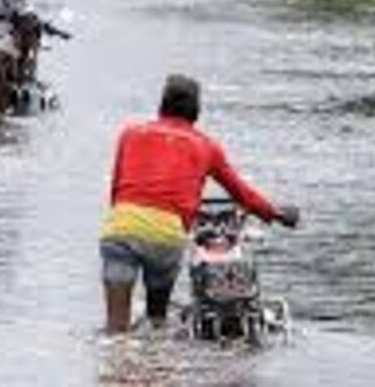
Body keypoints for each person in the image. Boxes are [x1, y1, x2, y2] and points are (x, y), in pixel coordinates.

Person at [100, 75, 300, 334]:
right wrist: (276, 214)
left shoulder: (130, 134)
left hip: (121, 228)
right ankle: (155, 358)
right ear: (196, 111)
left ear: (162, 105)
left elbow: (116, 189)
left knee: (116, 330)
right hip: (165, 235)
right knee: (156, 322)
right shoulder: (205, 146)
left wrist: (122, 221)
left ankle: (116, 364)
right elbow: (241, 193)